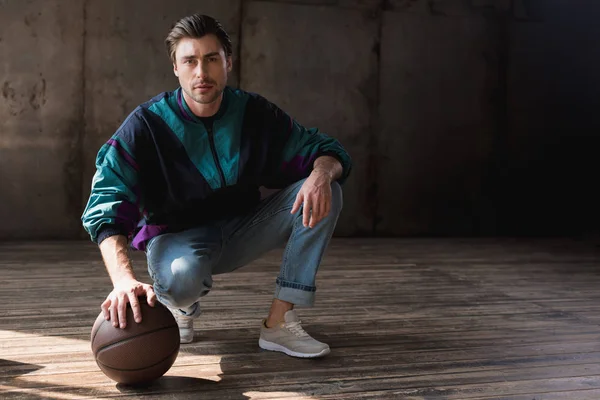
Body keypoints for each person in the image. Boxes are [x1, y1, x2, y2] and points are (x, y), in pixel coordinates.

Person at [81, 14, 352, 359]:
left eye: (211, 59)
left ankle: (279, 322)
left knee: (328, 186)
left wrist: (320, 174)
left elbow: (324, 150)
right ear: (175, 68)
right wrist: (123, 281)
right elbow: (106, 202)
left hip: (243, 229)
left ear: (228, 63)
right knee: (181, 281)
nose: (201, 72)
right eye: (190, 61)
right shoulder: (147, 125)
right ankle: (181, 305)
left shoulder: (253, 113)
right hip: (177, 239)